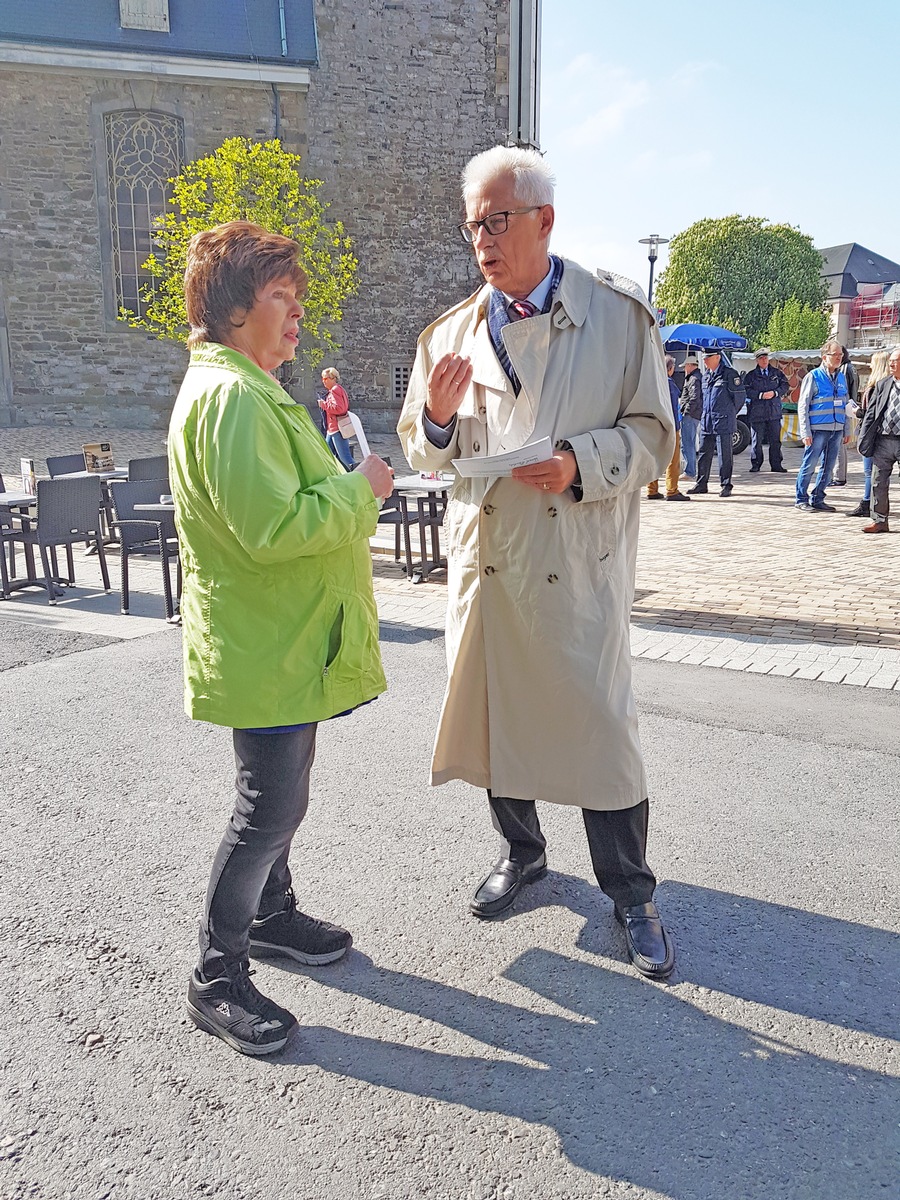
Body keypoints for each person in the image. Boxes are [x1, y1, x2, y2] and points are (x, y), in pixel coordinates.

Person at [397, 146, 676, 980]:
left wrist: (579, 462)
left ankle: (631, 893)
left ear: (544, 221)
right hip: (488, 563)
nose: (480, 237)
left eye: (497, 220)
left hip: (573, 556)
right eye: (472, 223)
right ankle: (524, 854)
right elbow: (421, 449)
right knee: (497, 720)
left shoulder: (619, 318)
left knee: (600, 731)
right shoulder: (447, 334)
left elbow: (656, 437)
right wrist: (439, 420)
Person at [168, 221, 394, 1055]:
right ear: (233, 309)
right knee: (269, 806)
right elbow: (270, 527)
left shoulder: (247, 388)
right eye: (280, 297)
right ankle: (215, 976)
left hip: (279, 641)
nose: (296, 314)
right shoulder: (232, 399)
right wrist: (359, 489)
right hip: (266, 642)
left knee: (281, 787)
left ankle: (270, 915)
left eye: (297, 298)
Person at [795, 341, 851, 513]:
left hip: (836, 429)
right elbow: (802, 405)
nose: (839, 358)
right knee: (809, 464)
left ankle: (818, 498)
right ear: (825, 357)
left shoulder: (841, 377)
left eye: (840, 355)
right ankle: (801, 499)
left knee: (828, 466)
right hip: (817, 429)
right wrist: (805, 432)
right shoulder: (813, 376)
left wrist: (846, 429)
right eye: (836, 355)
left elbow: (846, 404)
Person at [687, 348, 743, 497]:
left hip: (723, 421)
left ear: (717, 357)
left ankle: (726, 484)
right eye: (704, 358)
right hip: (708, 421)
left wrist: (729, 413)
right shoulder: (706, 376)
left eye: (708, 357)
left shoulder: (729, 375)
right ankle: (701, 483)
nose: (704, 360)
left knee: (725, 455)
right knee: (704, 453)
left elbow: (739, 398)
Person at [857, 346, 900, 534]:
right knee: (878, 481)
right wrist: (863, 437)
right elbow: (871, 413)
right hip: (883, 440)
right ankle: (879, 521)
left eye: (896, 361)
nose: (891, 363)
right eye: (890, 360)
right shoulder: (883, 384)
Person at [847, 349, 891, 518]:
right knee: (878, 473)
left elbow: (872, 414)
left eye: (873, 362)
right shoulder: (888, 385)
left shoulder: (876, 387)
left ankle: (867, 503)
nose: (870, 365)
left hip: (873, 434)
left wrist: (857, 412)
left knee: (870, 472)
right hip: (882, 434)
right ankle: (874, 503)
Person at [647, 355, 689, 501]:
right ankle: (672, 490)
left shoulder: (652, 383)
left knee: (653, 458)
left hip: (652, 426)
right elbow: (671, 407)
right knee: (673, 458)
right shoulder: (669, 384)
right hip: (668, 426)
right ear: (670, 369)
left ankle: (651, 489)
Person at [742, 348, 789, 473]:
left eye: (766, 358)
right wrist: (760, 395)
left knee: (775, 440)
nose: (764, 360)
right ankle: (756, 464)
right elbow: (746, 390)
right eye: (761, 358)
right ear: (757, 360)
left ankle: (776, 464)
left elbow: (785, 385)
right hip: (757, 412)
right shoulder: (751, 375)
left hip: (773, 411)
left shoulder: (776, 373)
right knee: (756, 441)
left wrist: (775, 393)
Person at [831, 345, 860, 486]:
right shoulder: (851, 368)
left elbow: (846, 391)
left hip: (844, 407)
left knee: (839, 444)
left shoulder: (844, 370)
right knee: (840, 444)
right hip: (848, 407)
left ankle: (838, 476)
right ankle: (838, 475)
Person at [318, 366, 356, 471]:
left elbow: (340, 409)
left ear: (333, 378)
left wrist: (324, 405)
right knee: (327, 455)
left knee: (345, 458)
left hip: (337, 429)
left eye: (326, 379)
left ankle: (361, 475)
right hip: (332, 429)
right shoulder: (335, 390)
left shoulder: (335, 390)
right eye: (323, 379)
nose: (323, 381)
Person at [678, 354, 703, 479]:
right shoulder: (695, 377)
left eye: (685, 366)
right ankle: (690, 470)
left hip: (690, 415)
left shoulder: (693, 379)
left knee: (688, 442)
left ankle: (690, 471)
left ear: (689, 365)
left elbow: (694, 398)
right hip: (693, 414)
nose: (684, 369)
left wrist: (686, 411)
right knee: (688, 442)